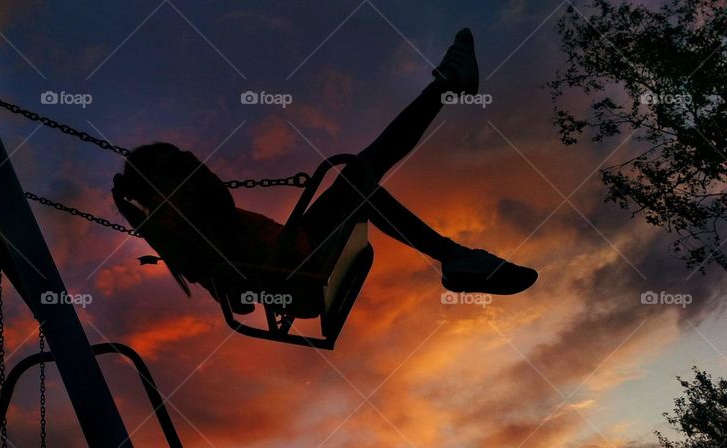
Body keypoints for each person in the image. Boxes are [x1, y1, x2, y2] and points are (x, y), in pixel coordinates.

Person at [111, 28, 538, 311]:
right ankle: (455, 255)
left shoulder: (196, 210)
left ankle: (446, 87)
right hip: (295, 274)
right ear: (153, 188)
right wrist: (144, 218)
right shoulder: (176, 230)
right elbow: (234, 295)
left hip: (298, 252)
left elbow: (213, 214)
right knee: (359, 177)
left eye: (183, 166)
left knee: (361, 170)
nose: (187, 176)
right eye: (173, 173)